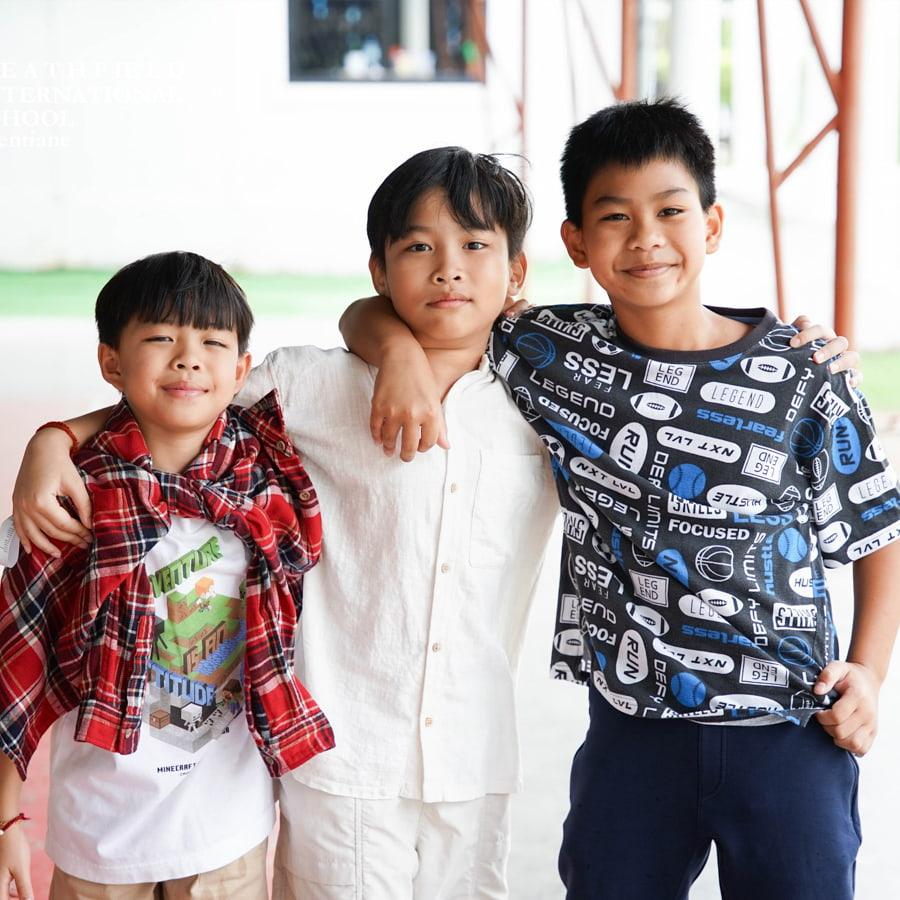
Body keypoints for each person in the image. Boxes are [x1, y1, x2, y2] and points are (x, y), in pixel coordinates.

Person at [9, 149, 853, 900]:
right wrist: (59, 439)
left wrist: (795, 348)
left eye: (476, 248)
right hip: (340, 759)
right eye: (418, 248)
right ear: (377, 270)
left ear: (517, 273)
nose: (448, 271)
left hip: (474, 761)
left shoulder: (552, 395)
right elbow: (186, 401)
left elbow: (681, 368)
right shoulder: (311, 388)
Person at [342, 100, 900, 900]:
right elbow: (376, 310)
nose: (645, 239)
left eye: (670, 212)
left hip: (790, 730)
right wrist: (394, 352)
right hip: (632, 736)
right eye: (614, 217)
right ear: (575, 242)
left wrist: (870, 675)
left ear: (710, 225)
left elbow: (881, 528)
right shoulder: (546, 352)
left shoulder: (802, 374)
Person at [0, 251, 332, 900]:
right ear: (110, 362)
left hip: (225, 838)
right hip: (100, 838)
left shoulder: (269, 481)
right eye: (160, 338)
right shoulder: (69, 501)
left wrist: (52, 433)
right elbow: (15, 668)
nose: (188, 358)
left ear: (240, 371)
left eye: (212, 342)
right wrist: (6, 819)